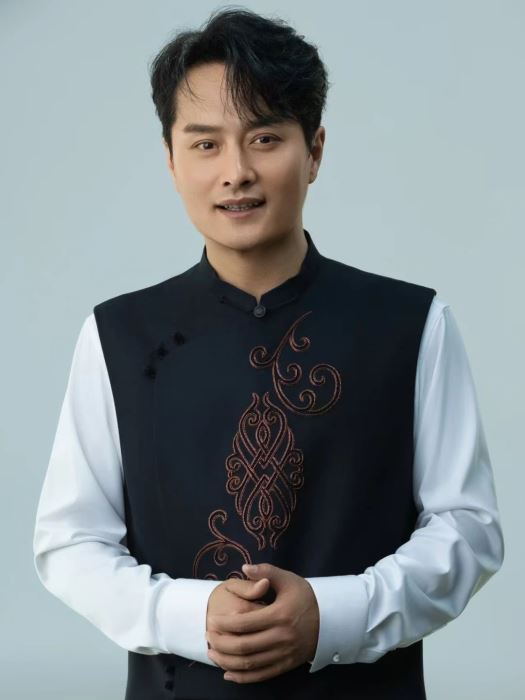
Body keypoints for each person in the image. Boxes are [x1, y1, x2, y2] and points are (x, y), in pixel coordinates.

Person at [33, 7, 504, 699]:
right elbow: (70, 542)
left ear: (314, 150)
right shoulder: (118, 334)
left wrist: (331, 616)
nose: (237, 172)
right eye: (205, 144)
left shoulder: (411, 323)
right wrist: (190, 614)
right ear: (171, 160)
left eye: (264, 138)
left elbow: (469, 529)